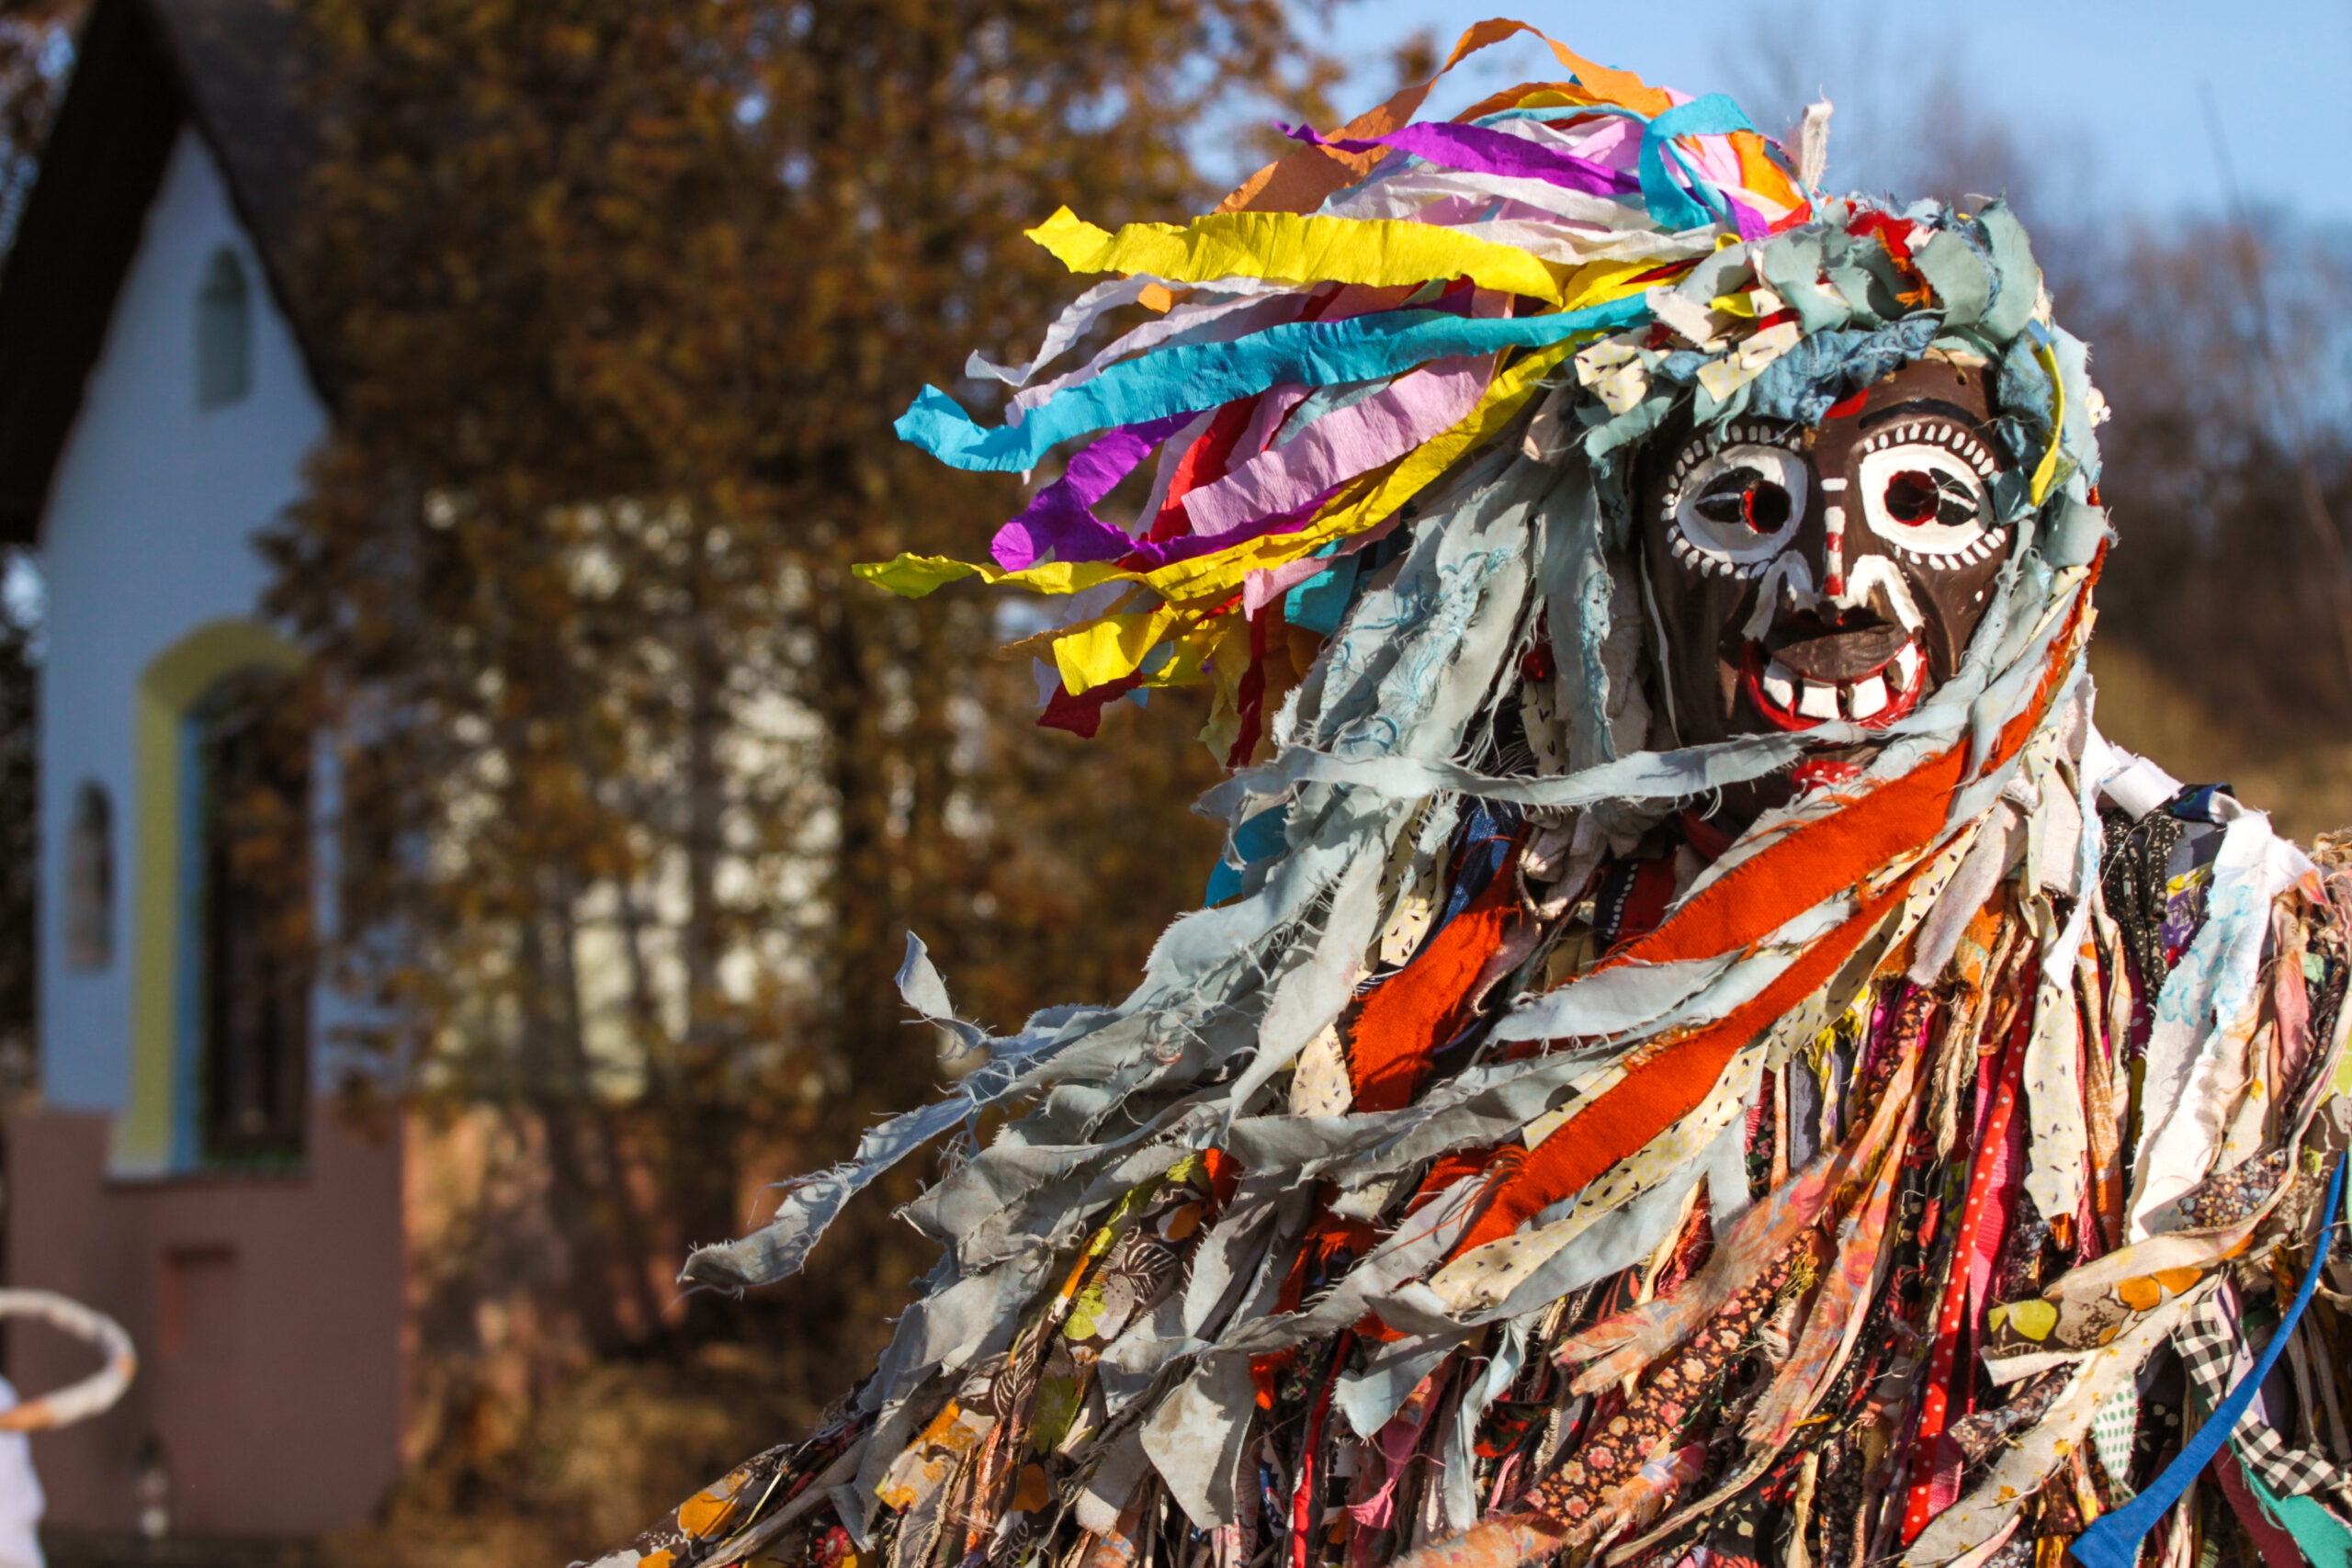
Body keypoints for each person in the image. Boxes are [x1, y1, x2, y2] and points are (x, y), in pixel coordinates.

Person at [594, 26, 2352, 1568]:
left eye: (1919, 504)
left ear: (2035, 557)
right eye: (1740, 513)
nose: (1829, 581)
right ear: (1605, 586)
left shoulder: (2221, 968)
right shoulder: (1428, 1023)